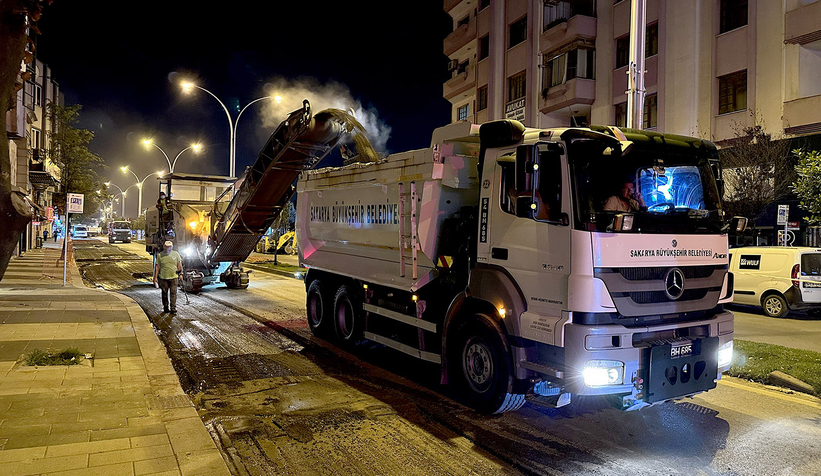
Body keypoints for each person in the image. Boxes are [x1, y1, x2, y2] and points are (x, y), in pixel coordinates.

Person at [153, 240, 183, 313]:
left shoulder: (176, 254)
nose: (168, 248)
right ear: (164, 247)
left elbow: (179, 264)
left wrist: (181, 273)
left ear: (172, 247)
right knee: (164, 293)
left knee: (173, 293)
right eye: (166, 247)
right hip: (163, 277)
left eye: (169, 247)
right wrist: (155, 277)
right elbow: (157, 266)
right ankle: (165, 307)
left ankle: (173, 307)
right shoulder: (160, 255)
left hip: (174, 277)